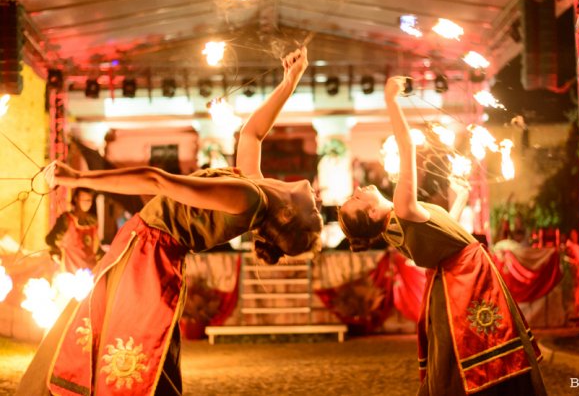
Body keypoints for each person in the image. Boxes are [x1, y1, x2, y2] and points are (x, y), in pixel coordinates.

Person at [17, 47, 322, 396]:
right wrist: (290, 80)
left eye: (313, 210)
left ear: (288, 214)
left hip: (150, 256)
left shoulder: (248, 198)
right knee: (119, 334)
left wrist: (77, 179)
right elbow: (252, 134)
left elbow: (157, 181)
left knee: (133, 346)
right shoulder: (254, 186)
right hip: (144, 247)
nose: (317, 197)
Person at [337, 77, 547, 396]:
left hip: (461, 280)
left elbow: (445, 233)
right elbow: (407, 145)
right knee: (482, 367)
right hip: (465, 284)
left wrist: (459, 198)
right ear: (369, 215)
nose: (356, 190)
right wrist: (391, 99)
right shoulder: (403, 210)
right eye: (354, 200)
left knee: (463, 367)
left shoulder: (399, 220)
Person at [45, 187, 100, 273]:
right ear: (76, 199)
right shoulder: (67, 219)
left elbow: (96, 248)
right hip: (71, 272)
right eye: (84, 200)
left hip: (90, 273)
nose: (87, 203)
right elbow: (51, 239)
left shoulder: (93, 223)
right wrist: (55, 252)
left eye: (89, 200)